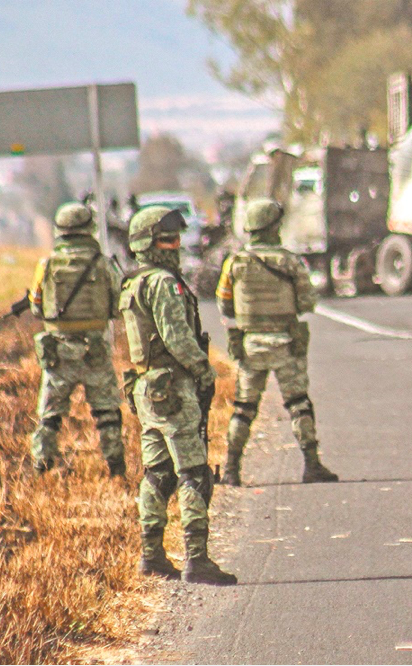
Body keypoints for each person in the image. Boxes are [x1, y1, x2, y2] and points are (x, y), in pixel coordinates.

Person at [120, 206, 237, 585]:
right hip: (173, 385)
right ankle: (197, 558)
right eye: (167, 239)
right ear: (148, 244)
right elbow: (176, 336)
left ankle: (151, 554)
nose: (175, 246)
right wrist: (204, 372)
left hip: (147, 388)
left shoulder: (133, 282)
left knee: (156, 474)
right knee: (193, 474)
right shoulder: (163, 283)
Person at [215, 198, 338, 487]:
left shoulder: (235, 263)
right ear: (273, 227)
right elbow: (308, 301)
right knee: (299, 404)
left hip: (250, 345)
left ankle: (232, 470)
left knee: (244, 409)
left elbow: (224, 305)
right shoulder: (290, 261)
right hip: (286, 343)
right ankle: (311, 465)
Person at [28, 202, 126, 475]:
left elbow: (36, 306)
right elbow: (119, 304)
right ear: (89, 230)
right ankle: (116, 467)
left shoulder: (46, 265)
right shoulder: (104, 264)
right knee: (107, 413)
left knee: (49, 416)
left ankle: (41, 466)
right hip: (94, 349)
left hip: (58, 351)